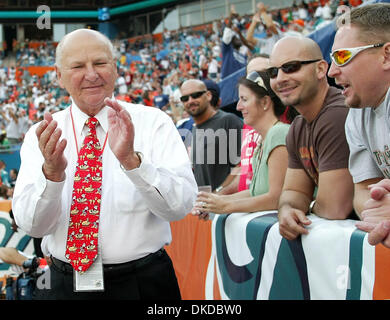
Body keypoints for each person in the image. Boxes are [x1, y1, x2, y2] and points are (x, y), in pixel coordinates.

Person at [12, 28, 197, 300]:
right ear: (59, 75)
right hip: (62, 284)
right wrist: (51, 175)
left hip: (143, 284)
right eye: (77, 66)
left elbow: (179, 207)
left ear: (115, 67)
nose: (91, 74)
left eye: (100, 63)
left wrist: (133, 163)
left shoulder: (153, 122)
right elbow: (34, 227)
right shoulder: (43, 134)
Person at [268, 36, 355, 241]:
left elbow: (335, 208)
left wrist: (306, 204)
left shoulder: (336, 114)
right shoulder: (297, 127)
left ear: (321, 69)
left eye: (291, 67)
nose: (280, 78)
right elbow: (292, 191)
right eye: (273, 72)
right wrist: (288, 210)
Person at [327, 3, 390, 248]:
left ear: (386, 55)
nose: (332, 71)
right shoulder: (356, 113)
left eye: (342, 56)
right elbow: (363, 192)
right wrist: (381, 217)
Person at [194, 70, 290, 216]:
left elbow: (276, 198)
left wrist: (225, 205)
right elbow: (254, 192)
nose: (238, 107)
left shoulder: (278, 133)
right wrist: (214, 200)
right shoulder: (262, 140)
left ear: (264, 102)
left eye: (244, 99)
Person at [180, 79, 243, 191]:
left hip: (228, 203)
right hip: (206, 204)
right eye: (185, 98)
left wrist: (219, 192)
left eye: (195, 95)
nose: (190, 101)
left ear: (208, 95)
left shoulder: (228, 120)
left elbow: (242, 166)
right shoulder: (194, 128)